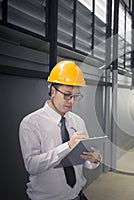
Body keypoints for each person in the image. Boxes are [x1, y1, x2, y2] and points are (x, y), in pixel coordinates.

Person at [19, 60, 101, 200]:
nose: (72, 101)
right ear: (52, 91)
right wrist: (68, 146)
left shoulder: (78, 121)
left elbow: (85, 160)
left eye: (76, 96)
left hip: (77, 195)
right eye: (67, 95)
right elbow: (32, 166)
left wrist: (94, 159)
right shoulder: (31, 123)